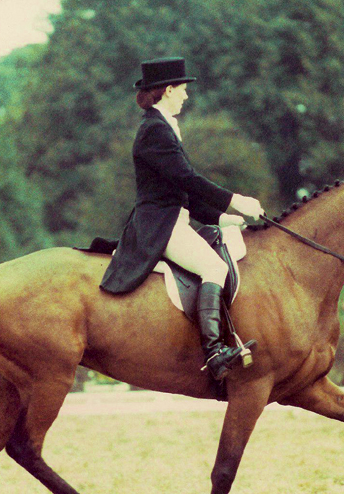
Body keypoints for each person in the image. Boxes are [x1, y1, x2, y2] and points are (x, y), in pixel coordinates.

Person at [100, 57, 264, 380]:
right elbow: (188, 179)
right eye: (183, 89)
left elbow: (180, 191)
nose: (187, 96)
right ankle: (214, 352)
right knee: (214, 268)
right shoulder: (154, 131)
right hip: (159, 226)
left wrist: (223, 218)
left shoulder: (163, 126)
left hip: (173, 218)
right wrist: (237, 200)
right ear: (168, 90)